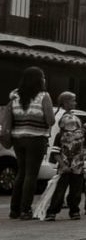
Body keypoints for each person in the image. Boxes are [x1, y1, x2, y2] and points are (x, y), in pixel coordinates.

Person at [7, 66, 55, 220]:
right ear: (39, 80)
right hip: (36, 139)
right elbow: (51, 120)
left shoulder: (15, 96)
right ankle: (25, 209)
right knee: (31, 174)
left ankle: (14, 210)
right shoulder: (43, 96)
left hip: (18, 139)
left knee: (21, 173)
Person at [43, 112, 86, 221]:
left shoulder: (83, 134)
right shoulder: (60, 136)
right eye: (68, 124)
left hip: (78, 167)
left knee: (76, 191)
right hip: (64, 167)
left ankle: (74, 211)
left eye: (73, 124)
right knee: (59, 191)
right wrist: (62, 165)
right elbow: (55, 153)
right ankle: (52, 211)